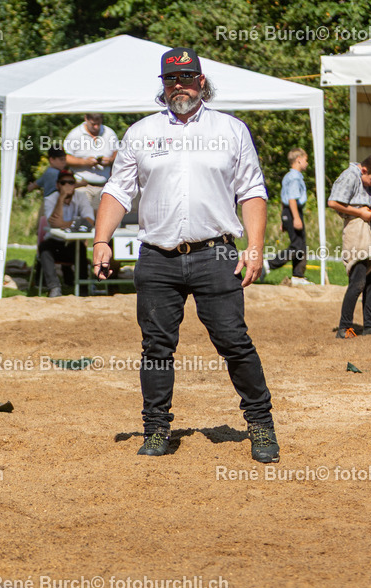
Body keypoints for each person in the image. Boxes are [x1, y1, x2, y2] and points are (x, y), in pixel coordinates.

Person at [91, 46, 279, 463]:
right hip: (157, 257)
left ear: (202, 82)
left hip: (216, 254)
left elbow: (252, 191)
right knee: (156, 346)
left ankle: (261, 426)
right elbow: (119, 189)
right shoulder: (141, 132)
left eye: (188, 78)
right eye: (172, 80)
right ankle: (156, 429)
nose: (181, 86)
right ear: (163, 86)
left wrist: (255, 246)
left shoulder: (231, 130)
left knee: (234, 341)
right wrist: (102, 239)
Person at [328, 154, 371, 338]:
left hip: (368, 228)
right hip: (355, 229)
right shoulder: (349, 176)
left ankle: (370, 326)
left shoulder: (368, 179)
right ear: (364, 170)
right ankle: (344, 327)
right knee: (358, 281)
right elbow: (333, 202)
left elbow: (368, 202)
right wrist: (360, 212)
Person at [39, 170, 93, 298]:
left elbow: (90, 220)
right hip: (55, 242)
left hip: (73, 243)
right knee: (44, 248)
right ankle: (54, 287)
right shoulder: (50, 199)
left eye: (71, 182)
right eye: (64, 183)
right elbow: (54, 223)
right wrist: (61, 198)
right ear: (58, 185)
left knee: (81, 250)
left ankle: (83, 288)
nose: (68, 186)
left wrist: (64, 223)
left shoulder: (81, 197)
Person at [261, 148, 311, 284]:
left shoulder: (288, 176)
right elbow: (292, 199)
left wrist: (284, 220)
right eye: (306, 160)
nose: (307, 163)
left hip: (288, 212)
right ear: (298, 159)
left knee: (301, 245)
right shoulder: (295, 177)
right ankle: (269, 264)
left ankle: (298, 276)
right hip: (293, 211)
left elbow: (285, 197)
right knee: (297, 245)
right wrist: (296, 218)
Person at [64, 114, 120, 213]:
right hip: (82, 186)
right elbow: (65, 158)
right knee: (83, 219)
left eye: (98, 123)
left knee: (101, 218)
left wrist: (110, 160)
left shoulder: (109, 133)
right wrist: (84, 162)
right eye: (93, 124)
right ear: (86, 119)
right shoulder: (75, 134)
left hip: (104, 186)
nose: (96, 127)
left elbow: (118, 153)